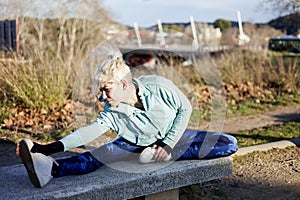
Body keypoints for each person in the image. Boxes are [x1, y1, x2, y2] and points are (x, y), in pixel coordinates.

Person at [17, 47, 238, 188]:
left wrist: (168, 145)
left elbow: (186, 108)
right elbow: (88, 132)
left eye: (106, 90)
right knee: (97, 157)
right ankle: (51, 169)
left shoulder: (159, 86)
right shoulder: (111, 111)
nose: (101, 97)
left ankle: (152, 156)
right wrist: (46, 148)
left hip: (174, 137)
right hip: (134, 143)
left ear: (123, 84)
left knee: (227, 144)